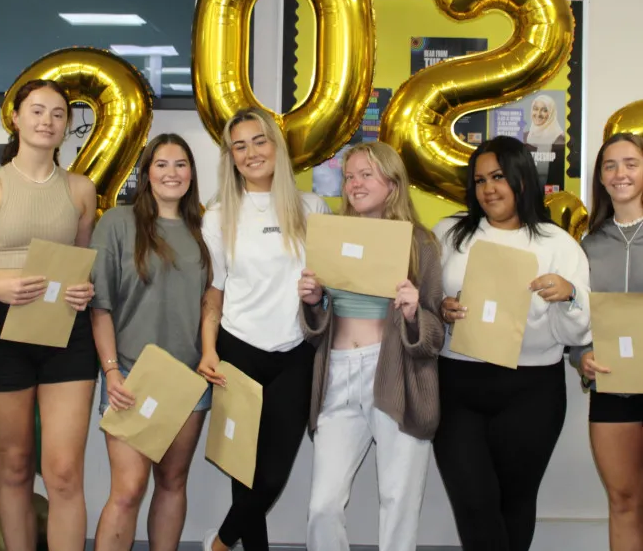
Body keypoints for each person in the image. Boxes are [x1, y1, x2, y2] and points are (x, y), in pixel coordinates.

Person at [432, 135, 591, 551]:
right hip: (458, 385)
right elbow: (420, 301)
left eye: (499, 177)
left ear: (522, 178)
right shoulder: (449, 234)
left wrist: (569, 295)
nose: (488, 189)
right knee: (474, 503)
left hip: (532, 391)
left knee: (516, 503)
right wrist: (440, 307)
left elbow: (578, 334)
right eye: (481, 179)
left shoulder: (560, 245)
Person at [0, 79, 97, 551]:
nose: (47, 121)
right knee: (15, 465)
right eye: (37, 111)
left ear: (66, 127)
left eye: (58, 114)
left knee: (63, 472)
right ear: (15, 119)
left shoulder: (82, 190)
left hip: (67, 333)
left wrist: (83, 290)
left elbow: (82, 264)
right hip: (1, 333)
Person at [298, 141, 444, 551]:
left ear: (393, 184)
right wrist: (313, 302)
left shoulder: (421, 244)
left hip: (395, 375)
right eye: (349, 176)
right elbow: (314, 330)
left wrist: (416, 313)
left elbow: (436, 335)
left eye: (366, 174)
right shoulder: (331, 236)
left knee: (398, 503)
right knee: (323, 506)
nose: (355, 184)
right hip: (338, 375)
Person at [198, 107, 329, 551]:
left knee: (272, 473)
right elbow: (213, 292)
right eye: (240, 146)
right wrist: (209, 351)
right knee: (243, 471)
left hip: (295, 351)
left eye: (259, 141)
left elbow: (327, 283)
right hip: (238, 350)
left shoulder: (312, 207)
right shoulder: (217, 215)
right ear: (230, 157)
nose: (251, 152)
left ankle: (219, 542)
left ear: (276, 145)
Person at [90, 133, 211, 551]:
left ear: (192, 173)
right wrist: (111, 372)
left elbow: (213, 302)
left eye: (180, 164)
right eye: (161, 164)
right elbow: (100, 306)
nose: (171, 173)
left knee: (173, 482)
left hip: (188, 381)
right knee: (127, 488)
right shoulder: (118, 223)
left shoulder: (204, 229)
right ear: (146, 173)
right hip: (129, 375)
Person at [570, 132, 643, 551]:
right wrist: (582, 357)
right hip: (612, 388)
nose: (620, 174)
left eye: (631, 163)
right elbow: (575, 319)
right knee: (623, 500)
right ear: (600, 177)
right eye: (610, 165)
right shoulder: (587, 246)